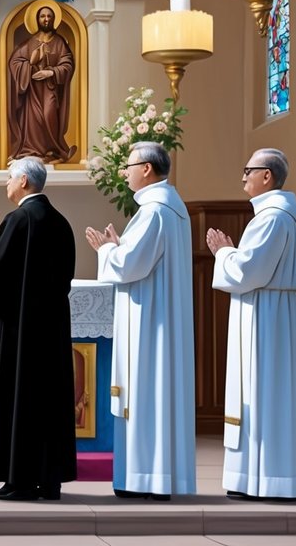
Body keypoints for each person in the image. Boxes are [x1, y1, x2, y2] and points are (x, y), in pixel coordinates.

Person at [85, 141, 195, 500]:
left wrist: (106, 249)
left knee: (145, 393)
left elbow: (130, 265)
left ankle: (144, 478)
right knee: (156, 396)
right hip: (160, 316)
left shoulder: (153, 211)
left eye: (129, 166)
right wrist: (120, 245)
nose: (126, 173)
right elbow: (141, 257)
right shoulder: (170, 209)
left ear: (147, 169)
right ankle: (157, 476)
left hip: (149, 323)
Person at [205, 149, 296, 501]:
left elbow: (248, 272)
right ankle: (258, 476)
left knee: (263, 392)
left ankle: (266, 479)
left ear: (267, 176)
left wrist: (223, 252)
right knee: (267, 395)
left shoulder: (271, 218)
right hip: (268, 311)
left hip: (265, 317)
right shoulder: (277, 216)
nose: (243, 177)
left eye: (248, 171)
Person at [0, 156, 77, 501]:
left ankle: (18, 481)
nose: (6, 183)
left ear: (24, 183)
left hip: (20, 328)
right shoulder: (61, 221)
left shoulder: (18, 219)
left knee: (20, 398)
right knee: (49, 398)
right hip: (53, 327)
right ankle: (49, 481)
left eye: (9, 177)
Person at [7, 0, 76, 163]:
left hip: (50, 90)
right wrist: (29, 67)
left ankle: (52, 151)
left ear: (53, 19)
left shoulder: (59, 42)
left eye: (49, 16)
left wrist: (50, 72)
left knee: (49, 114)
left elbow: (68, 65)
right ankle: (31, 152)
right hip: (31, 93)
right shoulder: (29, 43)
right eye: (43, 16)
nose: (46, 19)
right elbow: (14, 62)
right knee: (32, 121)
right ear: (37, 19)